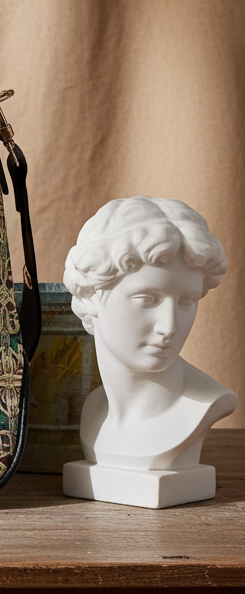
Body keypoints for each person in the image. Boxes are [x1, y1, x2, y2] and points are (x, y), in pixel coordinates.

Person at [64, 196, 237, 471]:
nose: (169, 327)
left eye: (186, 302)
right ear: (88, 297)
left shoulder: (206, 403)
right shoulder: (95, 410)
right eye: (147, 299)